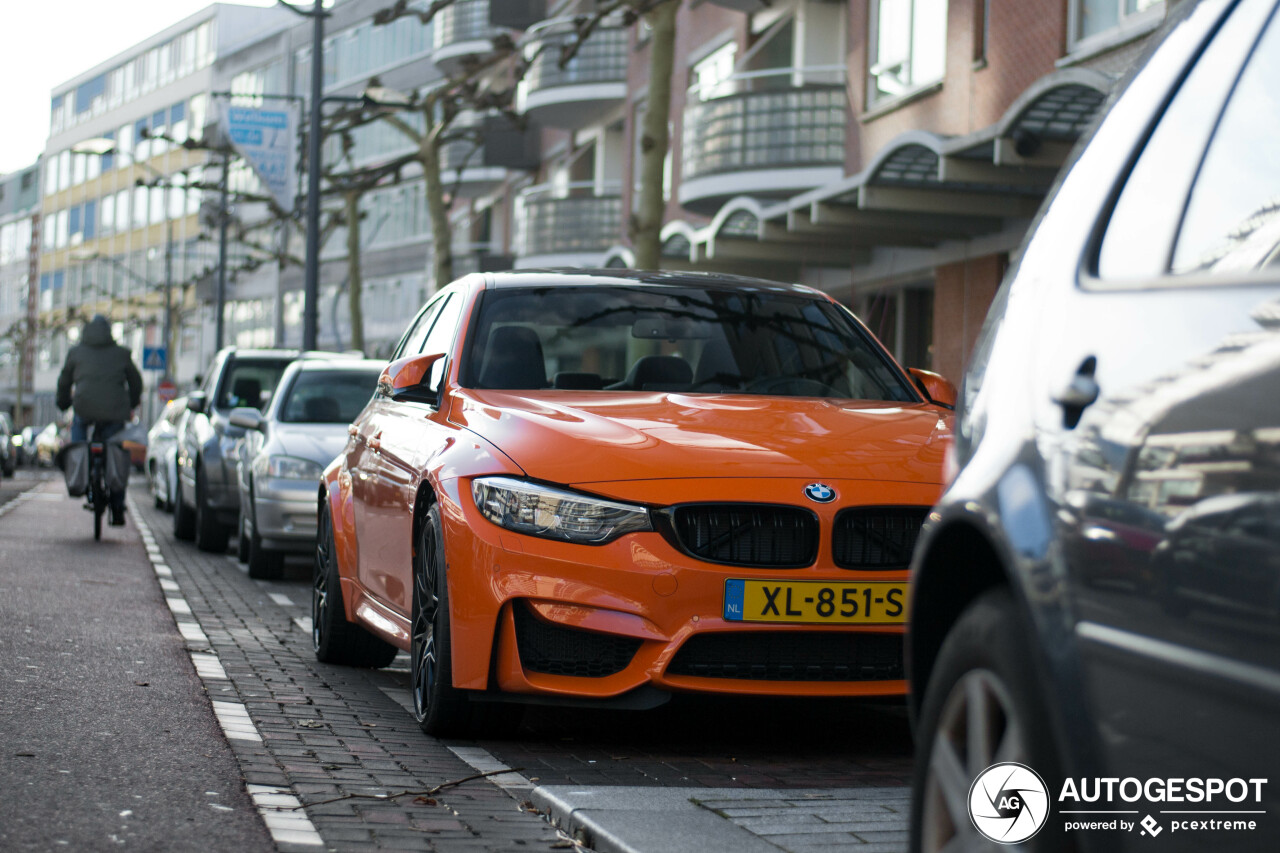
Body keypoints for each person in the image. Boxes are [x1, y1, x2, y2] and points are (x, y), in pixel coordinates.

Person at [56, 315, 143, 526]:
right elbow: (136, 383)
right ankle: (117, 505)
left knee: (79, 439)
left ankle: (80, 477)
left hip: (83, 408)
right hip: (115, 412)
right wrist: (130, 404)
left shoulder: (75, 352)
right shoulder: (122, 354)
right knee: (115, 449)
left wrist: (63, 403)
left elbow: (64, 381)